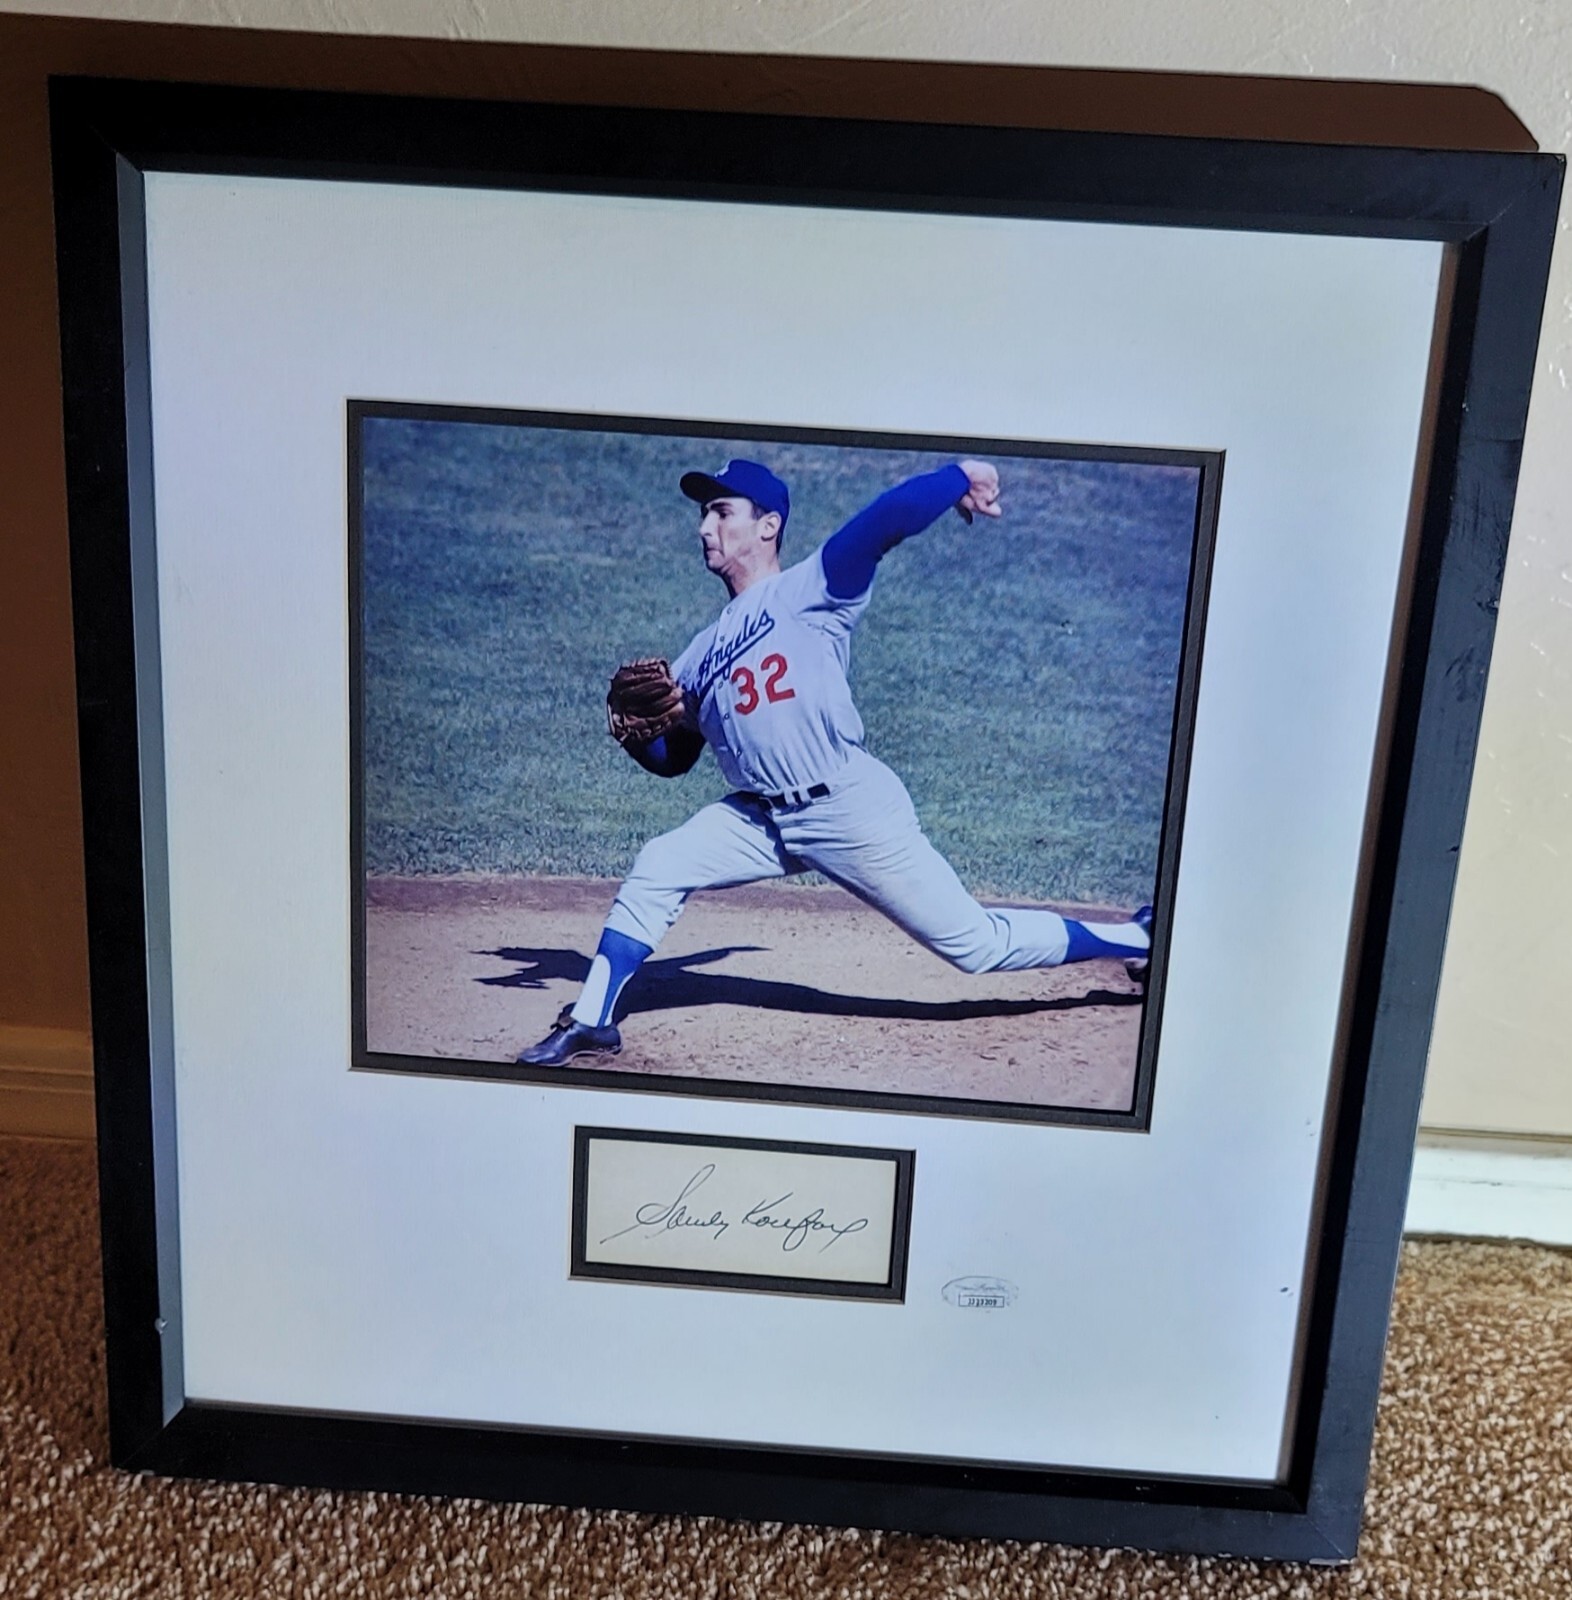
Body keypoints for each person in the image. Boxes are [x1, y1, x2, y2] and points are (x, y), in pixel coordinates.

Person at [517, 456, 1151, 1065]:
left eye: (721, 512)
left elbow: (884, 520)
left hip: (848, 807)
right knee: (661, 863)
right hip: (762, 819)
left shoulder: (810, 590)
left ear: (768, 525)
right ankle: (592, 1019)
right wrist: (636, 737)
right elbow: (674, 759)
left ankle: (1139, 936)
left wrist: (960, 476)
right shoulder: (698, 655)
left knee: (976, 946)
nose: (705, 527)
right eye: (703, 515)